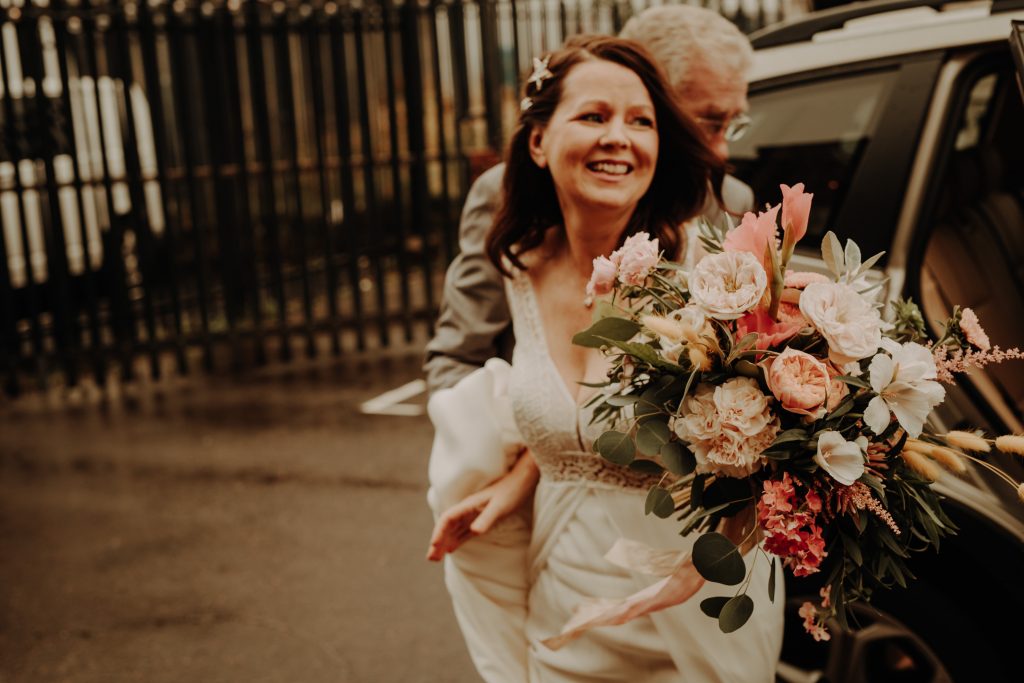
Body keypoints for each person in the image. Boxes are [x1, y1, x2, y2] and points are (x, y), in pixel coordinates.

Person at [426, 35, 783, 681]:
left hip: (689, 620)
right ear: (539, 141)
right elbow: (583, 428)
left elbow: (774, 454)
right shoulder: (520, 268)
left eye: (640, 122)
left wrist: (702, 566)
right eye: (593, 115)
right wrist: (514, 479)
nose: (618, 138)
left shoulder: (713, 275)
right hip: (560, 620)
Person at [425, 5, 756, 395]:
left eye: (733, 124)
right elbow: (458, 358)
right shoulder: (506, 203)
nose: (720, 151)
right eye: (709, 122)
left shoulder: (727, 201)